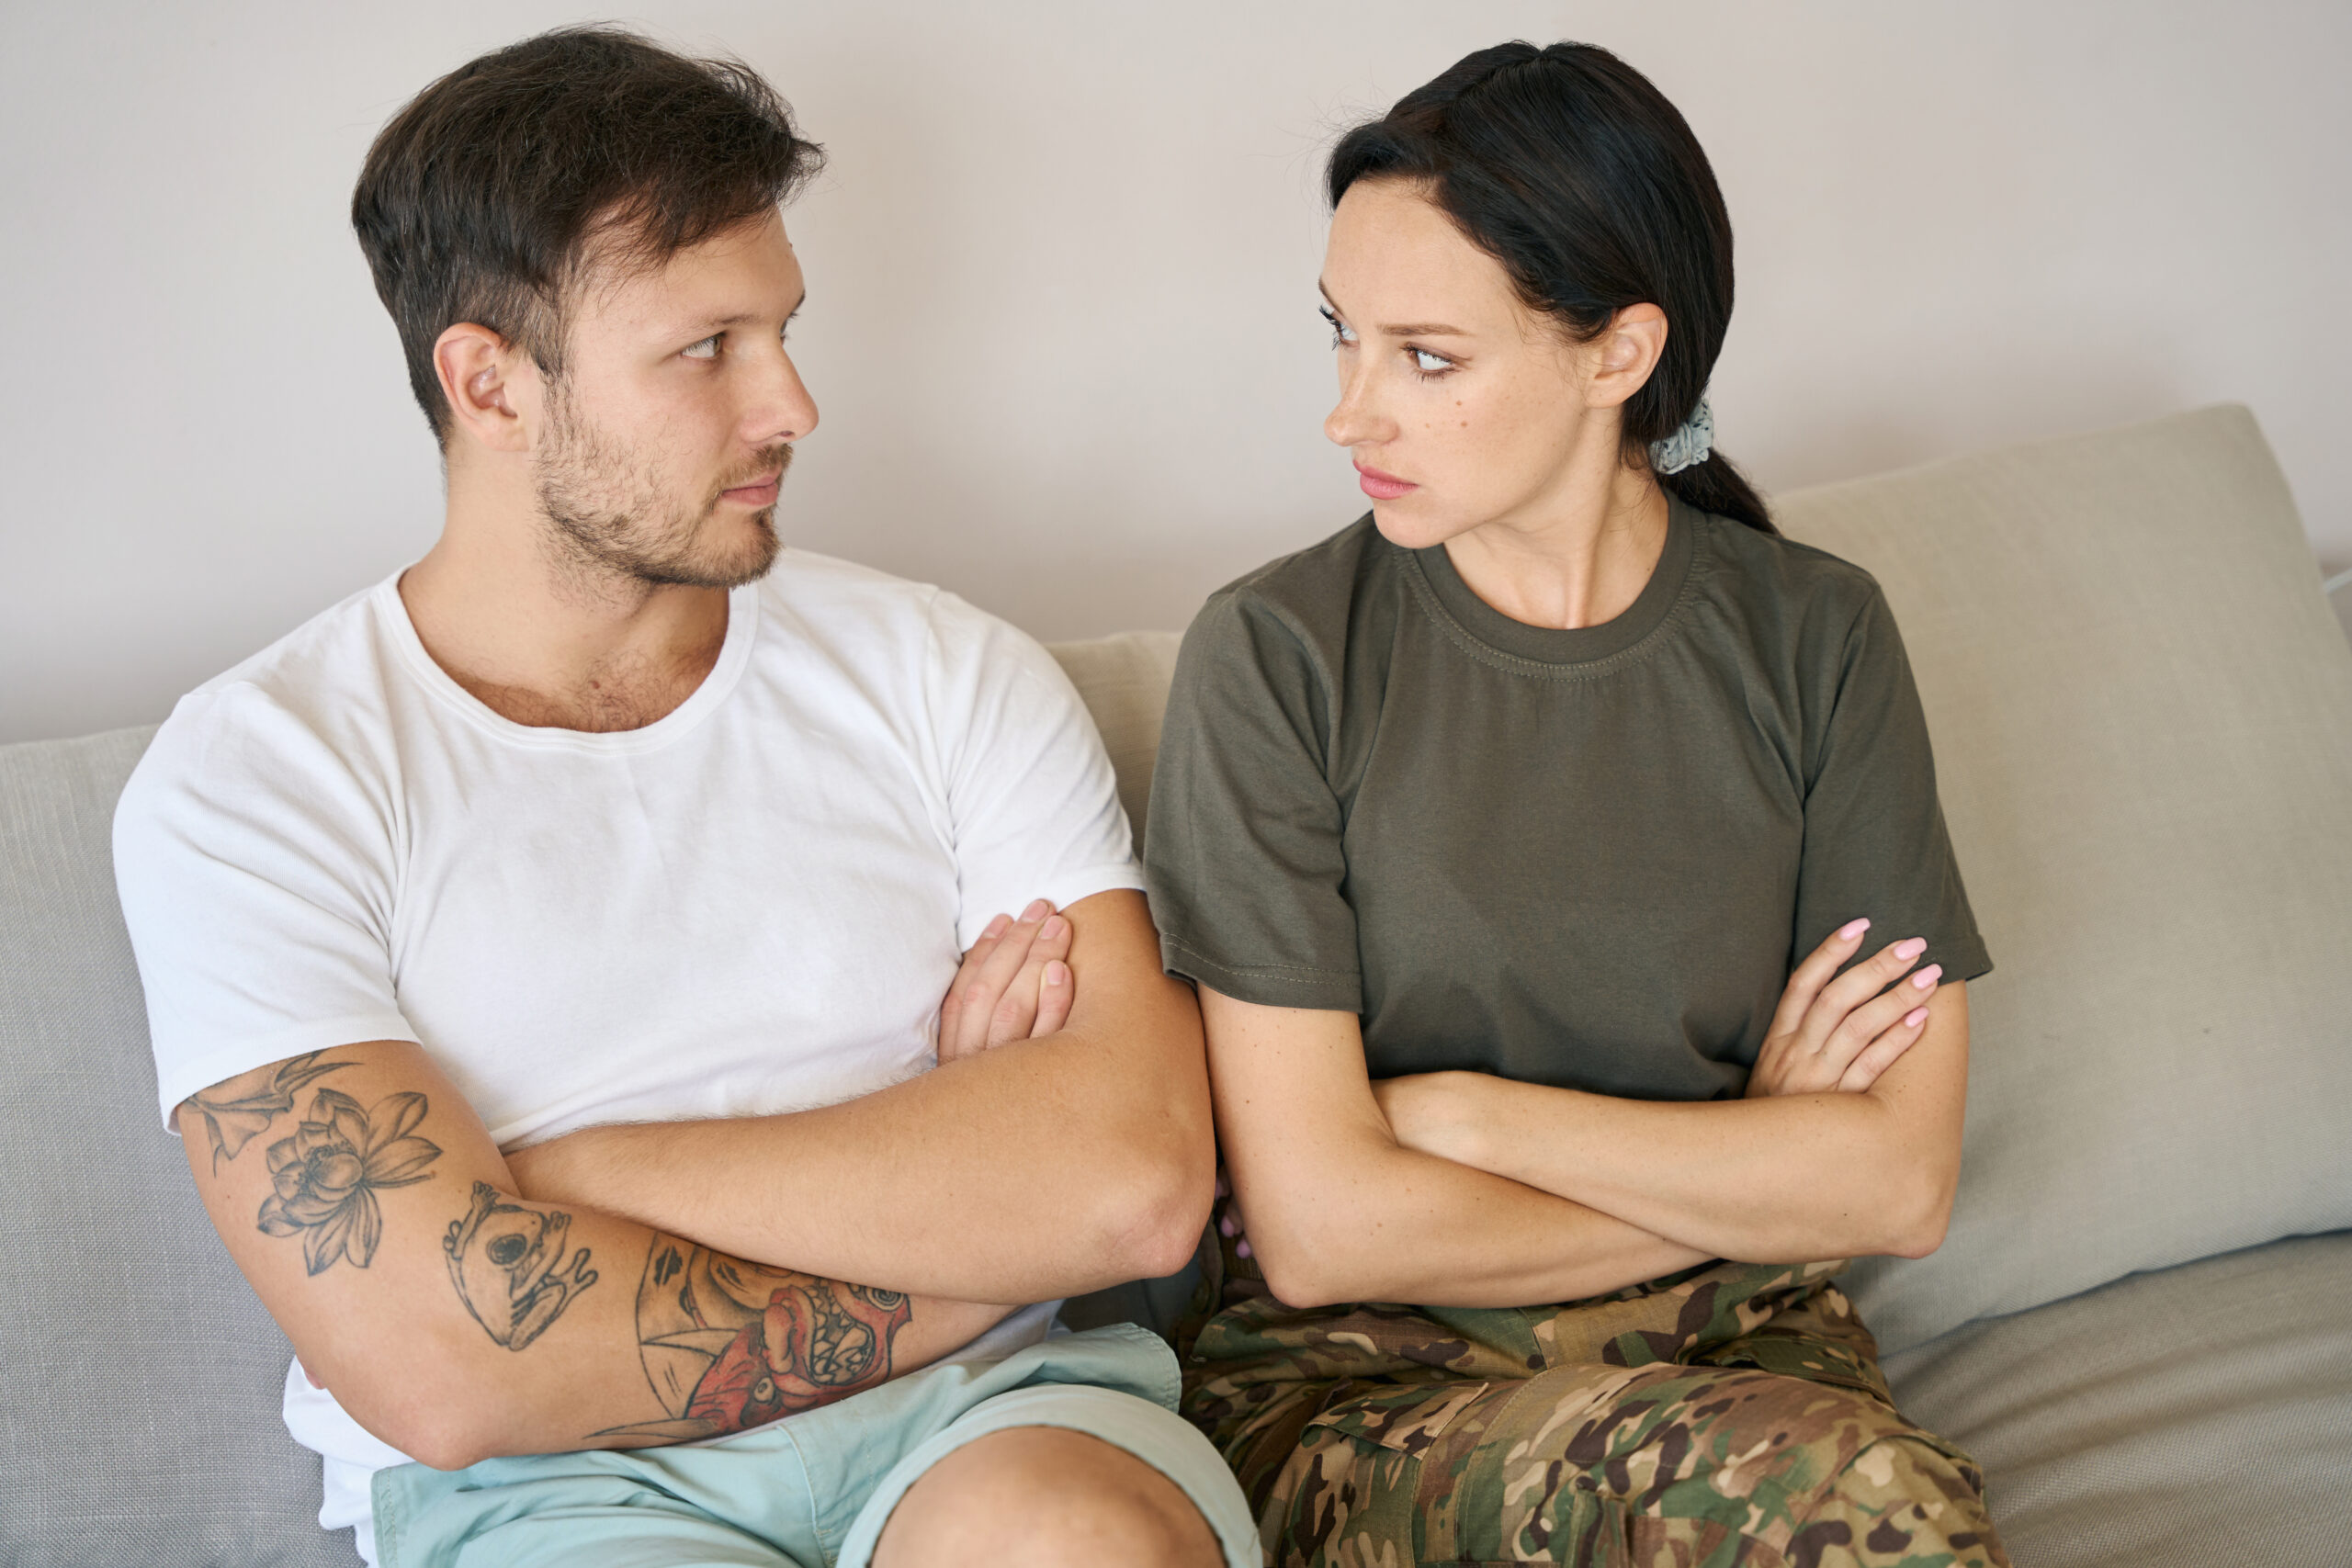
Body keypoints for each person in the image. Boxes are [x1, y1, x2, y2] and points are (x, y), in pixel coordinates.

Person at [113, 28, 1259, 1568]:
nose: (791, 402)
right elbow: (447, 1369)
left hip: (990, 1413)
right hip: (549, 1486)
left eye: (781, 329)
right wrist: (969, 1207)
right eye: (704, 347)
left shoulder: (941, 668)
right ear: (489, 381)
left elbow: (1130, 1185)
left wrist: (571, 1177)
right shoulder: (256, 777)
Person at [1144, 40, 2010, 1568]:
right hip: (1366, 1387)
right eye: (1342, 339)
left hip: (1751, 1365)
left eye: (1426, 357)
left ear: (1617, 355)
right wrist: (1757, 1159)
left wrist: (1466, 1123)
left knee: (1861, 1504)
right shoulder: (1277, 658)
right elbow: (1329, 1230)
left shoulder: (1817, 637)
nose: (1351, 415)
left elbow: (1899, 1179)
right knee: (1863, 1511)